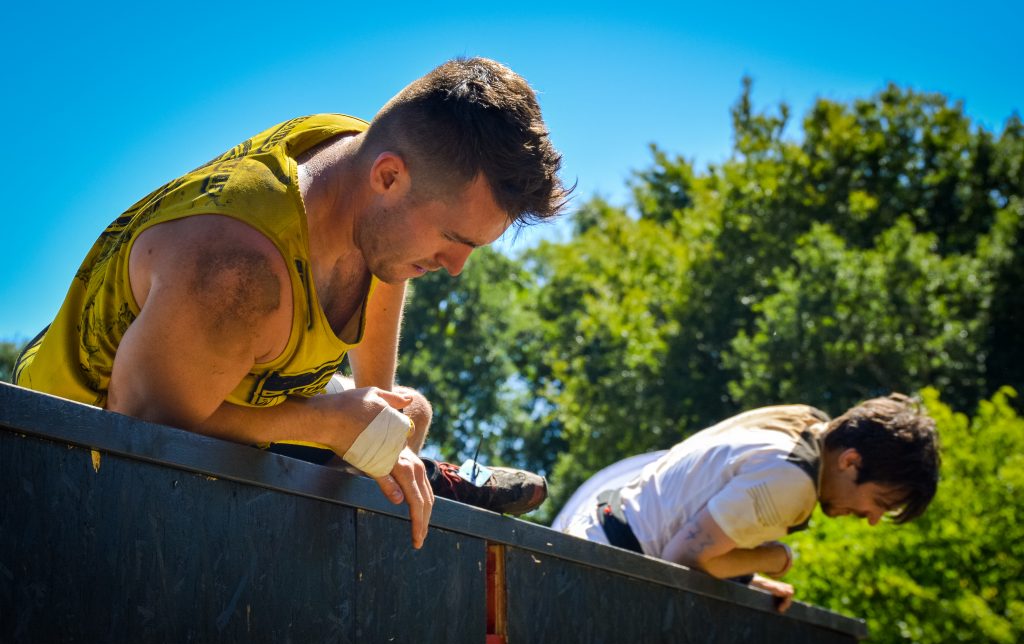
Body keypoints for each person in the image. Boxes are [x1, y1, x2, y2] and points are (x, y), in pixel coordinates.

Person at [13, 57, 567, 549]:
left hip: (216, 372)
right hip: (70, 465)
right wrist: (330, 427)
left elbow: (386, 260)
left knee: (412, 413)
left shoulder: (366, 168)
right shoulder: (236, 274)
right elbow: (142, 429)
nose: (455, 266)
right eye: (454, 239)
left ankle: (415, 463)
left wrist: (382, 426)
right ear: (389, 177)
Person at [556, 394, 941, 612]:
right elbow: (681, 555)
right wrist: (774, 558)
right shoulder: (794, 480)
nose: (873, 519)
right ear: (851, 461)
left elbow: (688, 528)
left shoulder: (801, 422)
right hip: (604, 576)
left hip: (595, 541)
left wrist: (746, 577)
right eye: (879, 501)